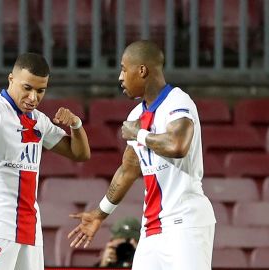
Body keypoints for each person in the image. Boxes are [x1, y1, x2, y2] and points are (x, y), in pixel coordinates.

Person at [68, 40, 216, 270]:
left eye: (124, 69)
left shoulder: (178, 102)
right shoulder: (137, 113)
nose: (120, 77)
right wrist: (100, 214)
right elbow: (128, 170)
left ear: (142, 70)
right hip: (151, 229)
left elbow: (178, 145)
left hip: (185, 222)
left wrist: (140, 133)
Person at [0, 52, 90, 270]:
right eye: (27, 88)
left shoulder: (39, 120)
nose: (33, 98)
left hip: (30, 226)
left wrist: (76, 125)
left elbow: (80, 154)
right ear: (11, 79)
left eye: (41, 91)